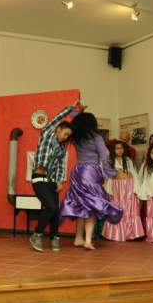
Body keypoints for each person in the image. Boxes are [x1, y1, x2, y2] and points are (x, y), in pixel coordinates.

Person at [61, 112, 122, 250]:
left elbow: (73, 118)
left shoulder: (76, 138)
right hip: (91, 171)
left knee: (81, 205)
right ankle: (88, 240)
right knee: (92, 205)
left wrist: (75, 111)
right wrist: (110, 172)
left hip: (78, 171)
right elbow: (104, 157)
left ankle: (78, 238)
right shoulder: (96, 137)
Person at [29, 101, 82, 252]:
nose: (66, 137)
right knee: (51, 206)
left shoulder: (61, 148)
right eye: (65, 134)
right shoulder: (46, 135)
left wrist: (59, 181)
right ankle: (36, 235)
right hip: (39, 178)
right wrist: (73, 108)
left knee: (55, 210)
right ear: (58, 130)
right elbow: (58, 118)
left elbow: (60, 165)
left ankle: (54, 237)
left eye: (68, 136)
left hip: (51, 181)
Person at [102, 140, 144, 241]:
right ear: (113, 150)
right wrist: (109, 191)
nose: (119, 150)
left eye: (121, 148)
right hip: (117, 187)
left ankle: (130, 234)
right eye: (117, 148)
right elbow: (108, 177)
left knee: (129, 208)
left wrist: (136, 190)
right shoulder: (110, 161)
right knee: (118, 206)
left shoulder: (128, 160)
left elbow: (134, 175)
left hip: (129, 186)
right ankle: (115, 234)